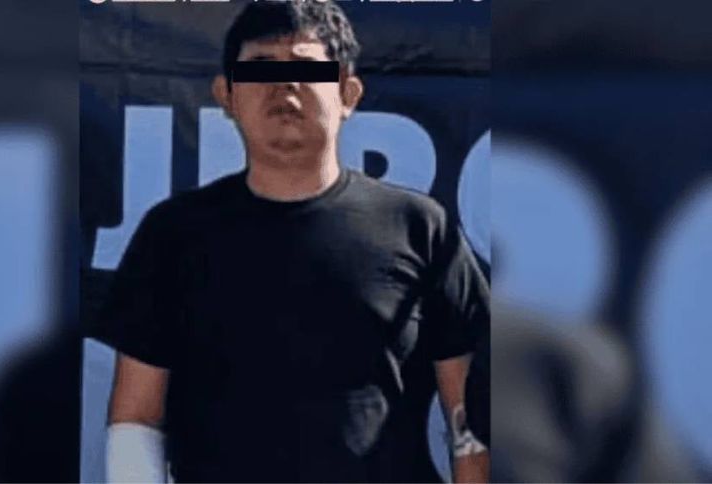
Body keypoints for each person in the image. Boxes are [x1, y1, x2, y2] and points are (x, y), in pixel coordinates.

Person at [100, 1, 489, 482]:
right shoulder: (172, 235)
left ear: (347, 94)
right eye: (260, 68)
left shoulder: (421, 228)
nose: (284, 86)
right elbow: (136, 418)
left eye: (306, 68)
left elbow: (470, 420)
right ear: (227, 95)